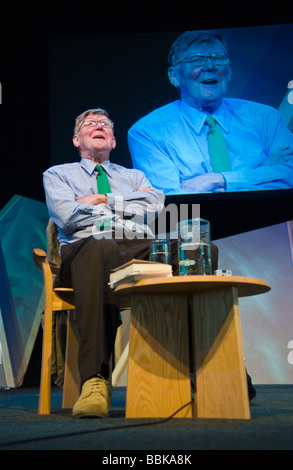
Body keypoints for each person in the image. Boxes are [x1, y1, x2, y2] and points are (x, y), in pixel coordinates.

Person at [43, 107, 219, 418]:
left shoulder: (133, 175)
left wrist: (101, 199)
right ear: (76, 139)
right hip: (85, 249)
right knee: (102, 248)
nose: (99, 127)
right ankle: (95, 382)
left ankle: (207, 369)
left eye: (105, 125)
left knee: (198, 249)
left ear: (112, 141)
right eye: (90, 124)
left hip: (137, 244)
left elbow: (154, 205)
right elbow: (67, 215)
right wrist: (127, 205)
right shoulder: (58, 174)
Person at [128, 30, 293, 195]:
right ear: (174, 76)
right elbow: (171, 199)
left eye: (218, 58)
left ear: (229, 72)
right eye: (196, 60)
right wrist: (263, 171)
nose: (210, 66)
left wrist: (219, 180)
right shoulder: (148, 132)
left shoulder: (265, 117)